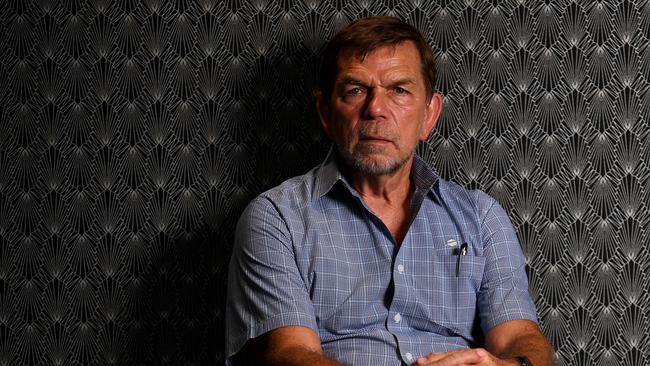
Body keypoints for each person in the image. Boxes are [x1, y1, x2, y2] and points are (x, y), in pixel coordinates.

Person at [226, 16, 554, 366]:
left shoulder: (482, 216)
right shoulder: (277, 217)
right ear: (325, 112)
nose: (376, 109)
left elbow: (522, 338)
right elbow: (289, 355)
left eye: (399, 90)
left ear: (429, 114)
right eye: (355, 90)